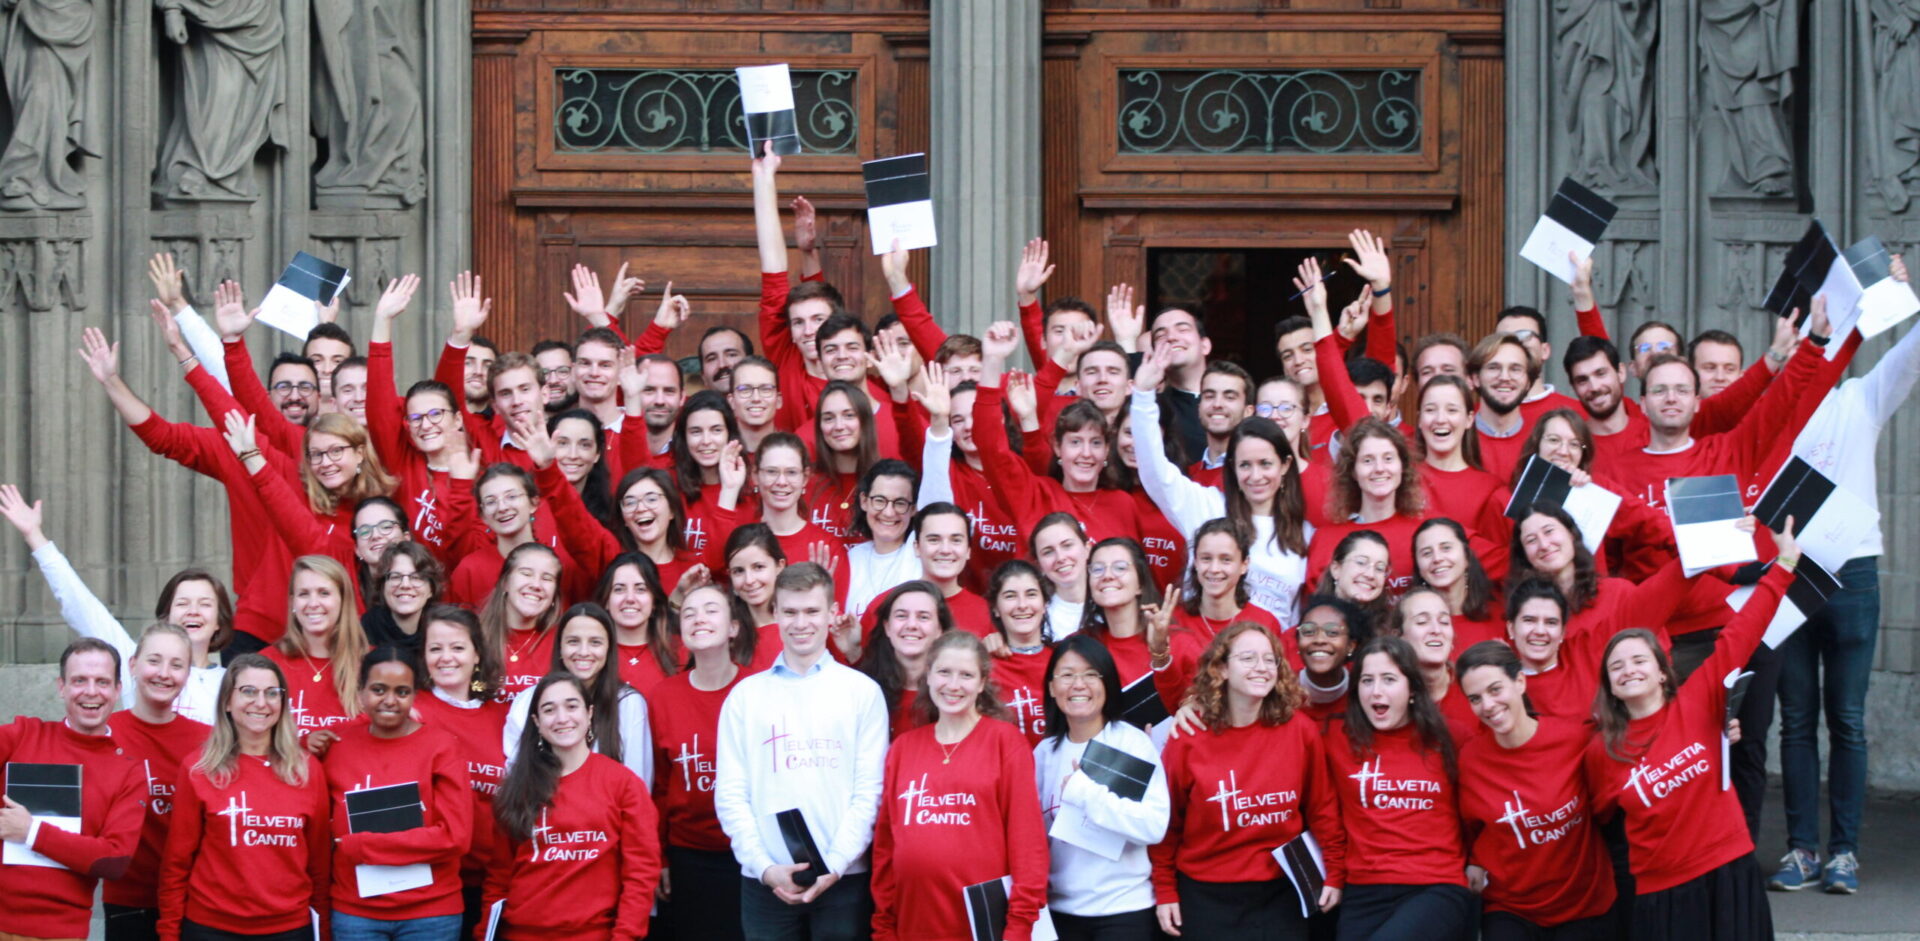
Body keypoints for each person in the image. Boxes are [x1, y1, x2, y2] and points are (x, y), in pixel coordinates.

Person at [1584, 521, 1799, 938]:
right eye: (1617, 665)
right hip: (1660, 894)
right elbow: (1601, 819)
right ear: (1608, 684)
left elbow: (1743, 630)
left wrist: (1785, 562)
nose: (1629, 670)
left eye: (1639, 660)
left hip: (1727, 869)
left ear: (1663, 672)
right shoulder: (1601, 751)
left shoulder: (1701, 700)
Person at [714, 562, 888, 938]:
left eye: (812, 611)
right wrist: (763, 866)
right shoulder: (746, 696)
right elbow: (730, 793)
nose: (801, 623)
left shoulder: (862, 692)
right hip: (766, 882)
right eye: (790, 612)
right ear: (774, 612)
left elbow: (869, 792)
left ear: (831, 612)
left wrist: (836, 864)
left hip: (844, 879)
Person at [1151, 623, 1344, 940]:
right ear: (1222, 669)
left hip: (1280, 892)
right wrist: (1165, 888)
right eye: (1248, 658)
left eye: (1270, 660)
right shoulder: (1187, 738)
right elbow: (1167, 823)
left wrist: (1335, 871)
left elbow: (1322, 808)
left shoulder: (1300, 730)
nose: (1262, 668)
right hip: (1205, 893)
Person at [1, 483, 233, 722]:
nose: (193, 611)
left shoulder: (233, 683)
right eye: (183, 603)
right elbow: (81, 605)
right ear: (166, 616)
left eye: (204, 604)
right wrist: (34, 536)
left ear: (219, 621)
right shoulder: (138, 661)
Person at [871, 632, 1049, 941]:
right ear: (928, 676)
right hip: (914, 924)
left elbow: (1028, 846)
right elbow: (886, 847)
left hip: (986, 927)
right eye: (944, 672)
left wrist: (1019, 928)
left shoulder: (1005, 743)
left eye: (966, 675)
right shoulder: (902, 748)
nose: (953, 685)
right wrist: (884, 926)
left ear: (981, 683)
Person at [157, 654, 331, 941]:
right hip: (211, 928)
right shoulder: (199, 769)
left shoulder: (307, 769)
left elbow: (320, 866)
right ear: (227, 701)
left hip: (288, 928)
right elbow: (176, 864)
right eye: (248, 691)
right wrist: (169, 934)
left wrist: (323, 931)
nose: (260, 703)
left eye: (271, 693)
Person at [1455, 641, 1616, 939]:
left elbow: (1630, 753)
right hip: (1510, 907)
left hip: (1585, 904)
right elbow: (1471, 827)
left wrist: (1718, 733)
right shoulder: (1470, 761)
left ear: (1519, 681)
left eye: (1495, 690)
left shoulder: (1574, 739)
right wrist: (1474, 862)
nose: (1487, 706)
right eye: (1475, 698)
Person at [485, 672, 661, 940]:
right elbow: (498, 880)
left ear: (589, 713)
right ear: (536, 722)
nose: (562, 718)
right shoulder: (517, 787)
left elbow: (641, 875)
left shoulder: (623, 784)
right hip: (521, 932)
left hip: (594, 933)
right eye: (549, 709)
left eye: (571, 706)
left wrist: (625, 936)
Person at [1323, 637, 1473, 940]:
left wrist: (1480, 861)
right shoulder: (1335, 737)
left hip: (1436, 886)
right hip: (1363, 890)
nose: (1376, 690)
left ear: (1414, 690)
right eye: (1367, 681)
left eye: (1389, 679)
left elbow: (1483, 805)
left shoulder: (1452, 737)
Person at [0, 639, 146, 941]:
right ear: (62, 686)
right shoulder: (23, 735)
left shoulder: (128, 772)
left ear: (118, 690)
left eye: (102, 682)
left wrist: (31, 832)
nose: (91, 691)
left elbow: (114, 860)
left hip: (60, 932)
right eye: (80, 680)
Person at [321, 649, 471, 940]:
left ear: (415, 695)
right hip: (356, 912)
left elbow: (456, 836)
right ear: (361, 691)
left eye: (402, 691)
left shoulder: (441, 747)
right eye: (379, 690)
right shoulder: (336, 745)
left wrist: (365, 847)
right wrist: (306, 743)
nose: (390, 700)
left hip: (430, 913)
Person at [1031, 634, 1169, 940]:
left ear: (1107, 684)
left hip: (1123, 910)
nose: (1078, 685)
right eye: (1067, 675)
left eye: (1091, 674)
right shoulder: (1044, 753)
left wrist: (1086, 793)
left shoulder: (1130, 743)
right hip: (1060, 914)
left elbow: (1154, 825)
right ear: (1052, 688)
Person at [649, 584, 760, 941]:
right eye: (690, 612)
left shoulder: (758, 691)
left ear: (733, 627)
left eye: (711, 609)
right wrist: (661, 858)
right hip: (688, 856)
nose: (699, 618)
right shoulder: (663, 697)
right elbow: (660, 787)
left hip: (751, 856)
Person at [974, 321, 1140, 546]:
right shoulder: (1033, 494)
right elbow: (989, 445)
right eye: (1074, 442)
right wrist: (992, 361)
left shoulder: (1123, 504)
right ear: (1057, 447)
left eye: (1096, 443)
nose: (1086, 453)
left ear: (1107, 450)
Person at [101, 624, 214, 941]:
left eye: (176, 665)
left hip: (196, 901)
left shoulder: (208, 740)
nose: (164, 673)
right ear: (133, 665)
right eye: (154, 661)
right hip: (128, 900)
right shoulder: (106, 732)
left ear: (188, 673)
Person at [410, 607, 509, 937]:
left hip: (491, 883)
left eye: (457, 647)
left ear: (477, 654)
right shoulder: (412, 711)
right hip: (428, 886)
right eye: (435, 648)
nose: (446, 657)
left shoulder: (505, 718)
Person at [503, 604, 654, 787]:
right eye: (573, 641)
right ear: (560, 647)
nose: (583, 652)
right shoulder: (528, 701)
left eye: (595, 642)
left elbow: (639, 786)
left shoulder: (628, 703)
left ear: (609, 649)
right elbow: (515, 778)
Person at [264, 555, 370, 742]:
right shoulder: (266, 664)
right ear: (293, 602)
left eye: (324, 593)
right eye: (304, 594)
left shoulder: (372, 664)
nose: (313, 604)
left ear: (343, 599)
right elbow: (251, 735)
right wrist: (305, 742)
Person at [857, 581, 956, 738]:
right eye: (901, 616)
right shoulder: (864, 690)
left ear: (940, 629)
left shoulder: (955, 691)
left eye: (923, 617)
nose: (911, 625)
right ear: (887, 627)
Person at [478, 543, 565, 700]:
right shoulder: (473, 636)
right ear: (505, 583)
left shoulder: (564, 642)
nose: (536, 585)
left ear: (554, 594)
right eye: (526, 574)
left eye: (547, 578)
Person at [1393, 587, 1478, 740]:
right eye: (1422, 622)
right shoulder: (1386, 696)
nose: (1436, 630)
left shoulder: (1474, 689)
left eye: (1444, 622)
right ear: (1398, 637)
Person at [987, 559, 1055, 747]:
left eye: (1031, 594)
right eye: (1010, 596)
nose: (1022, 605)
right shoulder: (983, 666)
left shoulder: (1063, 659)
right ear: (995, 608)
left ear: (1045, 603)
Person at [593, 553, 680, 695]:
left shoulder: (679, 651)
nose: (630, 598)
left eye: (640, 589)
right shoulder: (591, 652)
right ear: (606, 600)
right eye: (619, 589)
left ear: (654, 601)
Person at [1411, 517, 1504, 649]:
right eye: (1426, 553)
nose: (1437, 558)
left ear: (1466, 556)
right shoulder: (1410, 628)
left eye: (1446, 548)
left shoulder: (1501, 616)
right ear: (1418, 568)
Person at [1295, 595, 1370, 725]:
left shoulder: (1365, 696)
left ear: (1350, 646)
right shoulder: (1280, 695)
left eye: (1333, 633)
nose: (1319, 640)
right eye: (1308, 631)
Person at [361, 541, 445, 655]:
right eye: (395, 577)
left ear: (431, 589)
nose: (405, 585)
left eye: (416, 577)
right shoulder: (360, 634)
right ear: (382, 587)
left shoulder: (445, 632)